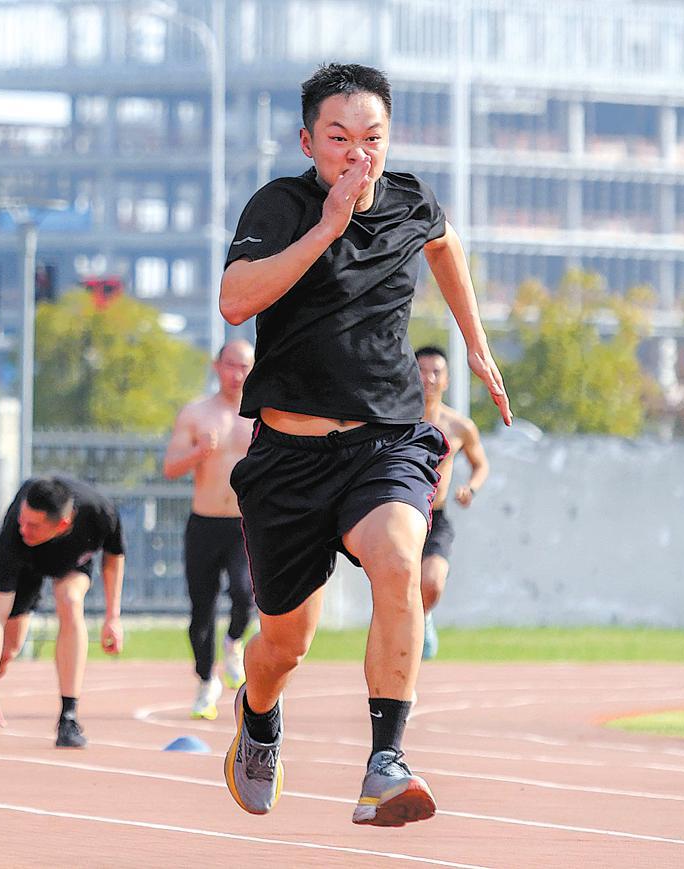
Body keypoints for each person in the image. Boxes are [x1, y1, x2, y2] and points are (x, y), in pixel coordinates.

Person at [218, 63, 511, 826]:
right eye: (339, 139)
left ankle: (387, 760)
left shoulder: (412, 198)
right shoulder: (280, 206)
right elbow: (235, 301)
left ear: (390, 140)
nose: (357, 155)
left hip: (385, 441)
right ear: (308, 140)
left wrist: (474, 343)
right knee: (284, 643)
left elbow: (444, 245)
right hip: (289, 456)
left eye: (372, 139)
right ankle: (258, 712)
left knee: (398, 558)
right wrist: (327, 228)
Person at [0, 476, 124, 749]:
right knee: (9, 648)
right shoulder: (15, 536)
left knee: (71, 601)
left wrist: (113, 617)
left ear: (62, 524)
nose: (24, 528)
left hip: (71, 561)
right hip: (28, 565)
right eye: (22, 520)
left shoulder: (100, 512)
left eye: (33, 525)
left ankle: (68, 717)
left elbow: (114, 557)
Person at [162, 339, 257, 720]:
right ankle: (206, 682)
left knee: (244, 592)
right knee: (201, 610)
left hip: (244, 523)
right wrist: (197, 454)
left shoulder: (262, 416)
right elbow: (170, 467)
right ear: (217, 366)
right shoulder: (196, 413)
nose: (237, 374)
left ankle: (234, 642)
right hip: (203, 523)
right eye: (231, 365)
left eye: (245, 367)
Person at [415, 346, 490, 661]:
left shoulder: (459, 426)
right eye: (422, 370)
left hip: (437, 516)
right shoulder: (395, 418)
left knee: (431, 582)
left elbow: (481, 464)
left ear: (446, 379)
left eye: (436, 372)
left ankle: (424, 619)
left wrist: (470, 489)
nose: (429, 378)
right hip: (399, 514)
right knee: (397, 588)